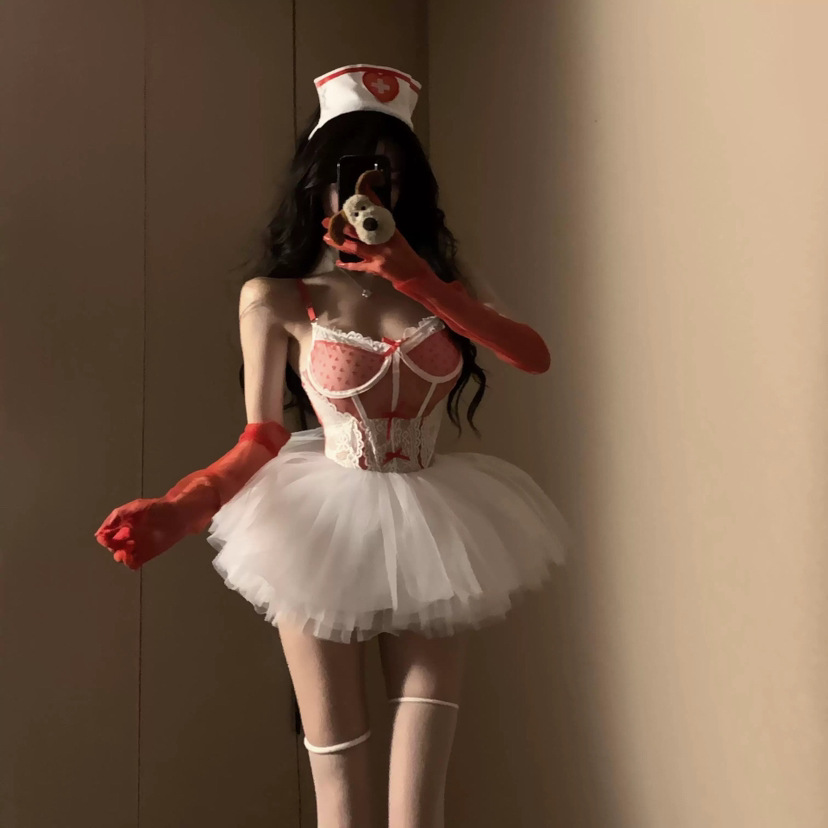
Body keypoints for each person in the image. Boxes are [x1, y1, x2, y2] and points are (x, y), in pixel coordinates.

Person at [95, 63, 574, 828]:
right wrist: (181, 509)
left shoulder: (443, 277)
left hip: (436, 519)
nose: (369, 193)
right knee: (340, 789)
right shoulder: (277, 297)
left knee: (420, 803)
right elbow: (262, 434)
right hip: (317, 524)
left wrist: (419, 281)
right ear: (317, 181)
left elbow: (532, 355)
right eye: (353, 173)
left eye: (389, 176)